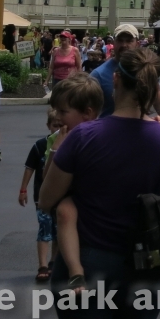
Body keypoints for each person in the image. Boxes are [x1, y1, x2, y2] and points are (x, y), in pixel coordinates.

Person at [39, 49, 160, 319]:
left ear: (116, 79)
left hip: (89, 256)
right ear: (153, 86)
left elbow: (46, 199)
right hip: (148, 261)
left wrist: (57, 150)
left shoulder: (83, 136)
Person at [41, 74, 105, 298]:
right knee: (64, 211)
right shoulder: (61, 136)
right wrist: (56, 150)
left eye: (63, 112)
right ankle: (75, 270)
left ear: (87, 113)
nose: (57, 118)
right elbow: (46, 184)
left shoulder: (96, 135)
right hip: (71, 198)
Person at [89, 23, 160, 122]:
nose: (124, 45)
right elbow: (87, 110)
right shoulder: (98, 75)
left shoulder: (145, 70)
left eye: (129, 41)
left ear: (137, 43)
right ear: (114, 43)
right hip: (109, 133)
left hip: (140, 132)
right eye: (120, 40)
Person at [20, 109, 65, 283]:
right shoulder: (40, 145)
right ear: (48, 126)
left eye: (61, 126)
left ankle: (54, 262)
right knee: (44, 230)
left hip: (60, 197)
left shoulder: (67, 144)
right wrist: (23, 189)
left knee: (58, 232)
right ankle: (42, 265)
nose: (58, 129)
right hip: (42, 198)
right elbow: (29, 168)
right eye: (55, 126)